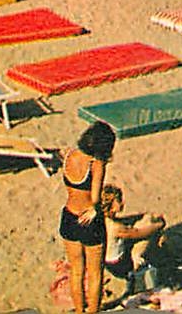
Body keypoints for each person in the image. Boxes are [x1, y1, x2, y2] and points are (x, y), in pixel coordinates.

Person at [59, 122, 118, 314]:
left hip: (69, 216)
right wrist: (95, 209)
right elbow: (94, 198)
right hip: (89, 221)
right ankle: (92, 311)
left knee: (76, 271)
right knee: (94, 272)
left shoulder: (69, 155)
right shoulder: (96, 164)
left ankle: (78, 310)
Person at [100, 185, 164, 294]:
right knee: (149, 235)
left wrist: (141, 217)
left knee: (145, 220)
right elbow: (139, 234)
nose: (122, 203)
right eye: (119, 201)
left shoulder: (102, 220)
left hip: (106, 261)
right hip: (120, 265)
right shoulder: (116, 228)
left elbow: (125, 220)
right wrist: (159, 225)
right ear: (111, 205)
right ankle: (138, 263)